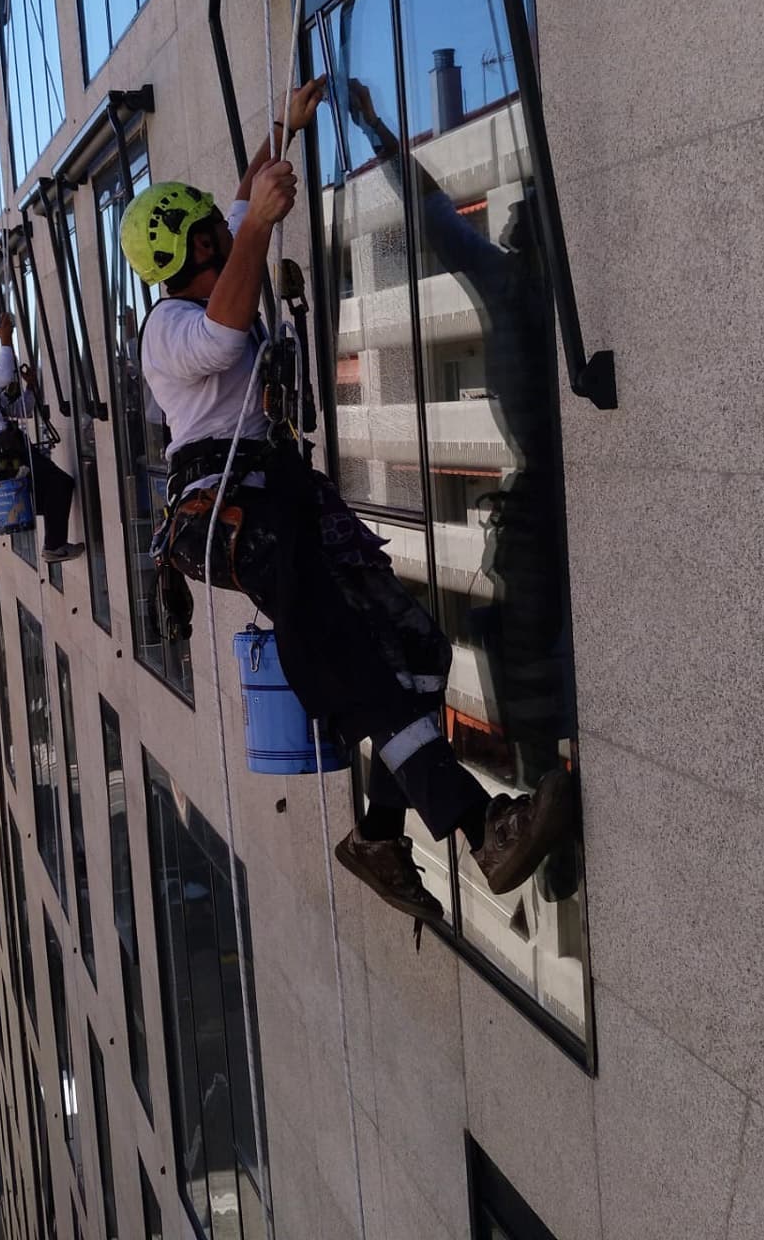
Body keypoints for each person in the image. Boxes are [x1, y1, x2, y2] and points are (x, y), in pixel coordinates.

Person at [121, 79, 574, 923]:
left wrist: (280, 130)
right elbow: (226, 327)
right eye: (219, 233)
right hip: (240, 515)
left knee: (415, 651)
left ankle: (376, 836)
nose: (232, 228)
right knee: (362, 672)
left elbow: (240, 198)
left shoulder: (211, 264)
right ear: (193, 254)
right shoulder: (168, 332)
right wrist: (258, 219)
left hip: (277, 496)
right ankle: (482, 828)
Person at [0, 313, 85, 564]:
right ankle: (54, 546)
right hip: (6, 454)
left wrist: (31, 387)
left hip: (12, 451)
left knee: (57, 487)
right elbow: (4, 376)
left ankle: (54, 544)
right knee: (60, 484)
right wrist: (6, 340)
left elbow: (22, 410)